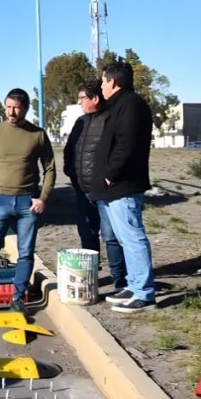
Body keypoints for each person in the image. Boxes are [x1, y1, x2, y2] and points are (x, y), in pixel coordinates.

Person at [0, 88, 56, 315]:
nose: (11, 112)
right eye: (8, 107)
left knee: (26, 252)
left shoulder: (37, 134)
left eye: (16, 108)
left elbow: (50, 168)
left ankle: (18, 297)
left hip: (28, 203)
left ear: (25, 109)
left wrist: (43, 198)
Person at [89, 60, 156, 313]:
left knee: (133, 237)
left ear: (113, 81)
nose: (102, 85)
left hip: (123, 185)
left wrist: (109, 174)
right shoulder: (119, 105)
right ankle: (134, 285)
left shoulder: (131, 105)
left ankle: (144, 294)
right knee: (124, 239)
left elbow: (126, 144)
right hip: (114, 186)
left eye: (104, 80)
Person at [63, 80, 128, 295]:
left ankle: (121, 282)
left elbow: (118, 151)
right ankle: (92, 276)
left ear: (95, 98)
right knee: (86, 232)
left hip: (105, 191)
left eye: (82, 98)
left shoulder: (110, 120)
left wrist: (107, 178)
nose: (79, 102)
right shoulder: (80, 122)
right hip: (82, 189)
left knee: (111, 236)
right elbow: (70, 149)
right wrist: (70, 172)